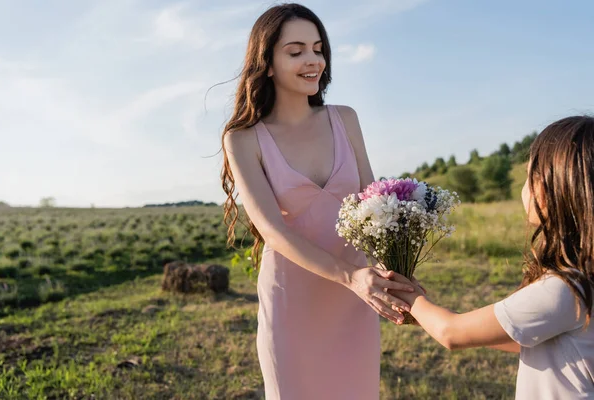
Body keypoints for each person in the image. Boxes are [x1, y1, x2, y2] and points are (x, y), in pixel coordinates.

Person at [219, 3, 414, 399]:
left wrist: (393, 271)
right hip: (293, 302)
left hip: (354, 302)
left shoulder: (345, 118)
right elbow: (272, 230)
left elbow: (373, 208)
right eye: (296, 52)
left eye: (318, 49)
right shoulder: (242, 139)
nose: (313, 61)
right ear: (267, 63)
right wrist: (351, 276)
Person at [392, 116, 594, 399]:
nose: (524, 187)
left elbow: (453, 333)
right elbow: (517, 336)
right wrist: (425, 316)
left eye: (528, 175)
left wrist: (411, 297)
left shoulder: (565, 290)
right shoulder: (582, 279)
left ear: (551, 192)